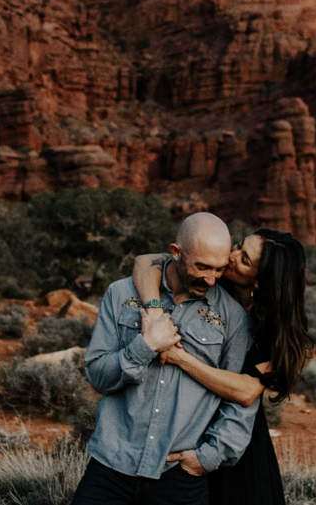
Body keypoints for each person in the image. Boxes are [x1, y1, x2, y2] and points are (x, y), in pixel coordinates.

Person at [73, 212, 258, 505]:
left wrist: (207, 457)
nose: (211, 279)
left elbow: (238, 404)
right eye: (202, 267)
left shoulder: (232, 318)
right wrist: (145, 345)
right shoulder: (121, 294)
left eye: (220, 269)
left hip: (180, 479)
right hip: (111, 467)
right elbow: (97, 375)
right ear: (175, 253)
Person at [130, 228, 310, 505]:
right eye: (238, 246)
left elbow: (246, 391)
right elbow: (146, 262)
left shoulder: (271, 328)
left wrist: (180, 359)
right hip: (182, 428)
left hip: (230, 441)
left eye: (244, 259)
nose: (231, 256)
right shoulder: (211, 277)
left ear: (260, 282)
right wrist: (155, 313)